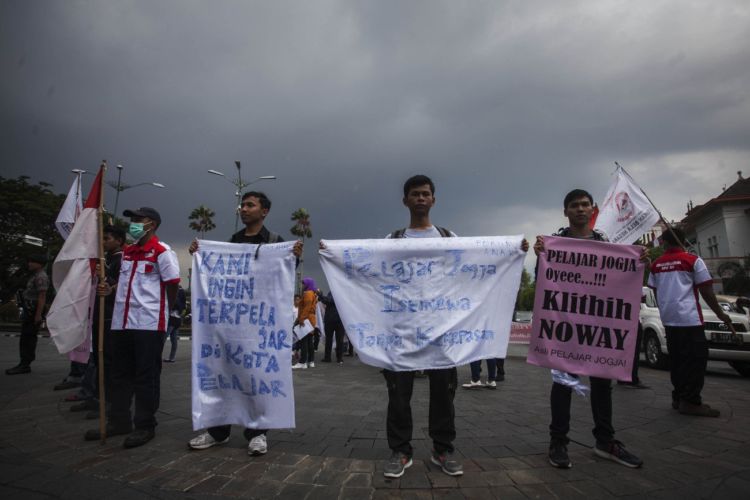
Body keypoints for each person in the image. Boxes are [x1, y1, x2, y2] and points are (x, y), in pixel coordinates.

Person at [534, 189, 643, 470]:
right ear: (566, 211)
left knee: (602, 383)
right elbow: (544, 282)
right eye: (574, 205)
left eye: (585, 205)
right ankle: (558, 441)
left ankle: (605, 441)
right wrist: (541, 256)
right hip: (567, 327)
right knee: (562, 383)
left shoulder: (606, 244)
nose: (580, 209)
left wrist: (641, 265)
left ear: (592, 209)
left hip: (598, 326)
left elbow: (621, 282)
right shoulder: (554, 244)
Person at [187, 191, 302, 456]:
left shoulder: (275, 242)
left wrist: (292, 256)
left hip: (260, 328)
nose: (244, 208)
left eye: (250, 205)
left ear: (264, 211)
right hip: (230, 327)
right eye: (243, 204)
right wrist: (199, 254)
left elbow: (281, 278)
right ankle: (218, 431)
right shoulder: (231, 243)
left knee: (256, 377)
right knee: (224, 375)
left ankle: (258, 432)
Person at [84, 207, 180, 448]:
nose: (134, 224)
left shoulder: (162, 252)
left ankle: (145, 425)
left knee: (146, 377)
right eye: (133, 220)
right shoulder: (126, 253)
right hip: (121, 323)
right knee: (119, 375)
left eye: (139, 220)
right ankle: (119, 421)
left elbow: (172, 286)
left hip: (148, 324)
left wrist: (164, 312)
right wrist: (110, 289)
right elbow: (125, 285)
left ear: (153, 224)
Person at [648, 225, 735, 417]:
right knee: (695, 361)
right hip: (690, 319)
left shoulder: (656, 265)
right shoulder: (693, 261)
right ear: (683, 240)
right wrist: (721, 314)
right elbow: (706, 291)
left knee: (677, 360)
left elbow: (655, 290)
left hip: (669, 320)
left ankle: (679, 397)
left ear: (665, 243)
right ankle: (691, 400)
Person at [70, 225, 126, 418]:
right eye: (102, 239)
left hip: (110, 316)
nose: (103, 242)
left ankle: (108, 401)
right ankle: (94, 397)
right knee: (97, 360)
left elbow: (123, 285)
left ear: (119, 240)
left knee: (109, 362)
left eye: (107, 238)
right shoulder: (106, 259)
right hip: (98, 314)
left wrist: (106, 275)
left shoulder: (122, 260)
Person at [6, 255, 49, 375]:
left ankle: (25, 364)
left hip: (33, 310)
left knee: (29, 337)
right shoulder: (34, 275)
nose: (29, 264)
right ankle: (23, 363)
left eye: (32, 262)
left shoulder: (41, 277)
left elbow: (42, 296)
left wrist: (38, 315)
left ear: (39, 264)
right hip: (29, 309)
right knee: (25, 337)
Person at [293, 277, 318, 369]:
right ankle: (311, 361)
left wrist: (301, 319)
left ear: (307, 284)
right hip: (311, 319)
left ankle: (302, 362)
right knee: (309, 341)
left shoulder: (307, 294)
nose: (302, 285)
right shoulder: (313, 293)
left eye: (303, 284)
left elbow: (306, 308)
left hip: (306, 319)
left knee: (304, 341)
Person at [319, 290, 346, 365]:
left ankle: (335, 357)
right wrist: (320, 296)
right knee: (335, 340)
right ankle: (336, 358)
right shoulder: (341, 292)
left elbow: (329, 300)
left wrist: (320, 295)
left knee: (335, 340)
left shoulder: (334, 292)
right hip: (337, 320)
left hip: (333, 320)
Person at [162, 285, 186, 363]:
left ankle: (157, 356)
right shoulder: (182, 292)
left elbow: (171, 302)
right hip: (178, 318)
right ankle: (172, 358)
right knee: (174, 339)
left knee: (163, 338)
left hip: (171, 318)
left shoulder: (172, 291)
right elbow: (184, 305)